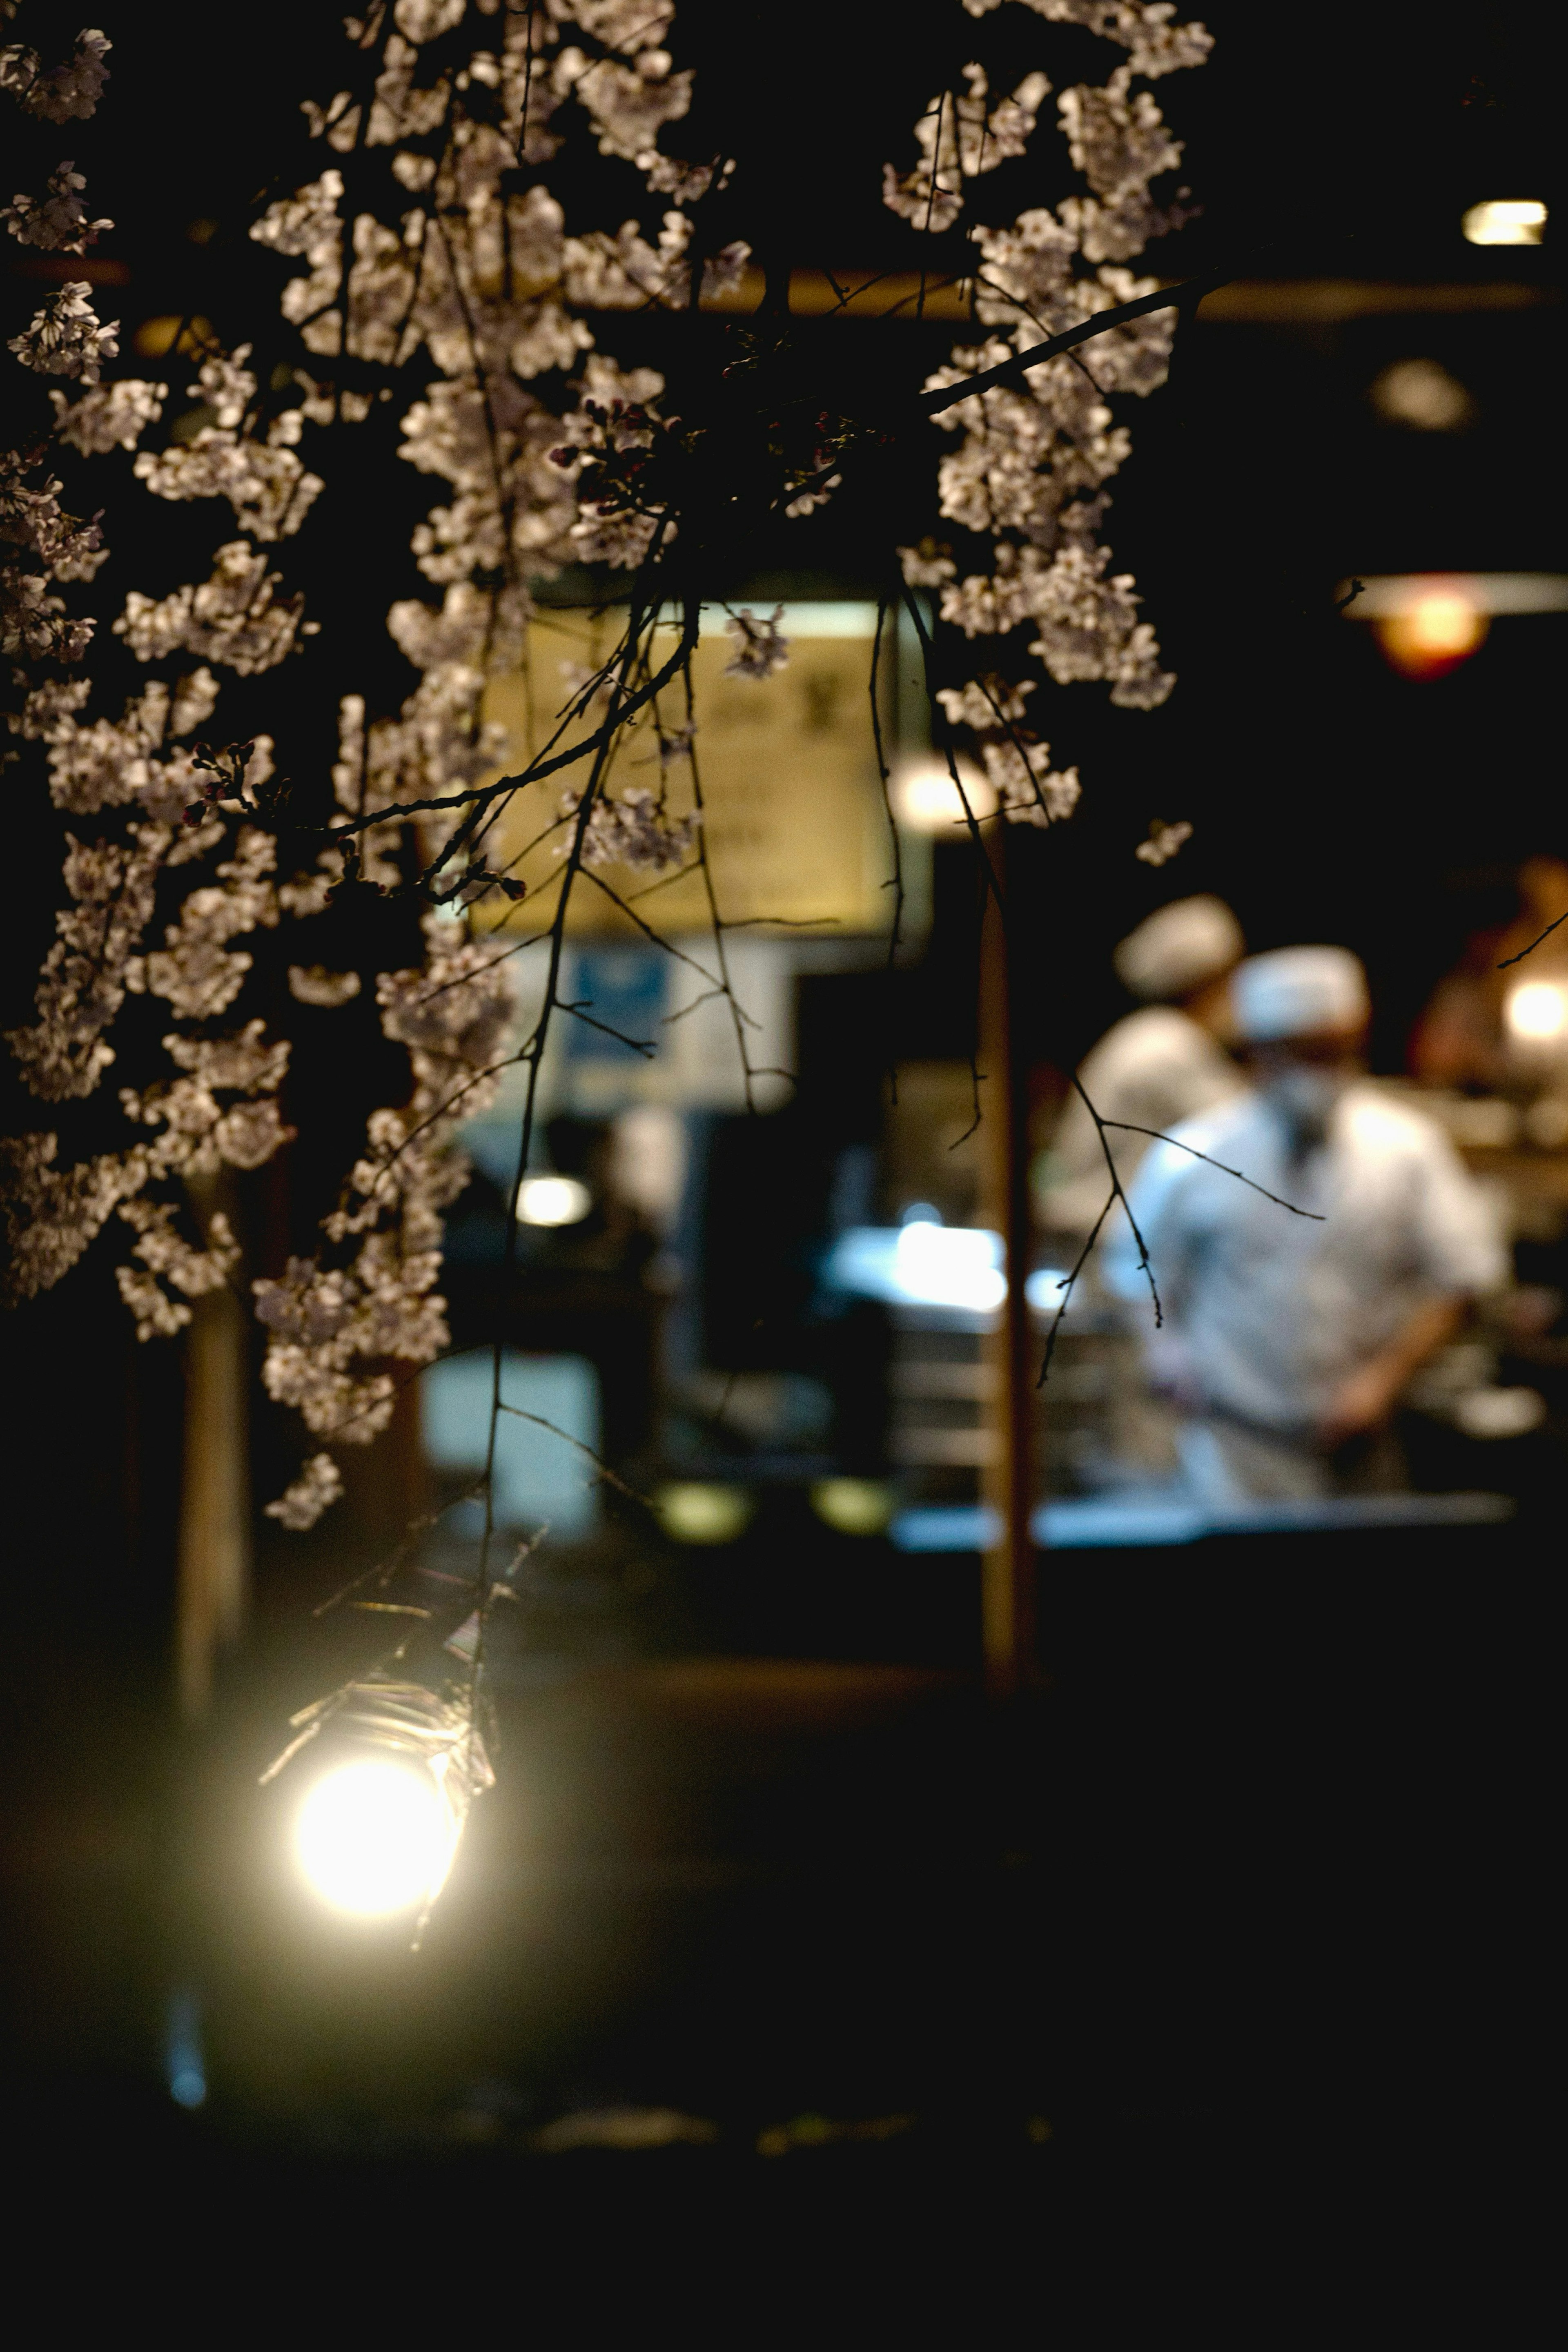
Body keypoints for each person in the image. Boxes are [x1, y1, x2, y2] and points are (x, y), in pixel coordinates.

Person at [1105, 946, 1507, 1502]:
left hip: (1363, 1443)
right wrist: (1166, 1349)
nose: (1318, 1074)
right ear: (1259, 1053)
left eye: (1332, 1053)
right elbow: (1135, 1266)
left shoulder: (1407, 1150)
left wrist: (1384, 1380)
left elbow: (1466, 1275)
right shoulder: (1194, 1155)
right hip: (1232, 1439)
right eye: (1301, 1054)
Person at [1038, 894, 1246, 1243]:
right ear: (1206, 983)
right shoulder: (1167, 1044)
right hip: (1107, 1240)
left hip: (1105, 1234)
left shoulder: (1145, 1034)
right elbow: (1241, 1133)